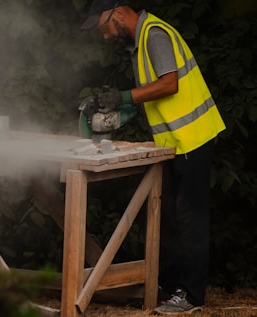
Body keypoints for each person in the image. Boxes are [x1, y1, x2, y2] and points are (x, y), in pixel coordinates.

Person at [81, 0, 226, 315]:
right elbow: (152, 94)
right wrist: (120, 111)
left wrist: (124, 97)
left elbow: (169, 84)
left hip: (193, 137)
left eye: (104, 27)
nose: (105, 36)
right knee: (171, 219)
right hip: (174, 142)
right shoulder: (140, 42)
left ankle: (191, 295)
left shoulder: (154, 34)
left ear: (118, 13)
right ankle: (170, 287)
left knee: (190, 219)